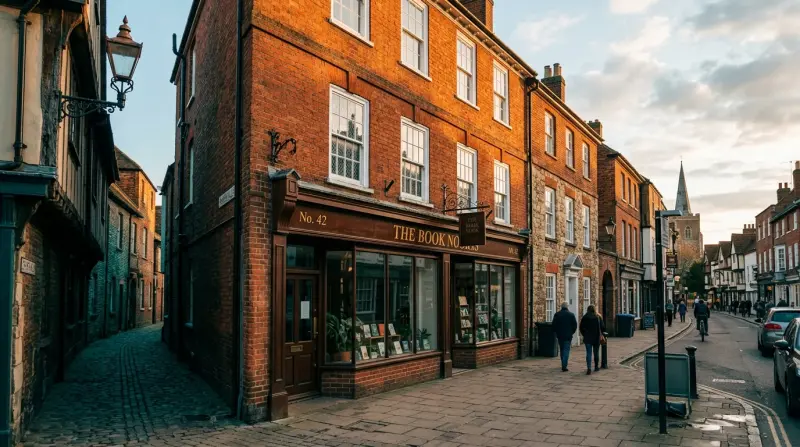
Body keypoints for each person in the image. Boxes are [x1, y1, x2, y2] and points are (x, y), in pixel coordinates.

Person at [552, 302, 578, 372]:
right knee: (566, 350)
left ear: (561, 307)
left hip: (560, 335)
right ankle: (564, 365)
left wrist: (556, 332)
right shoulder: (571, 315)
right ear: (567, 307)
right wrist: (571, 332)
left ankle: (563, 363)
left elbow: (554, 325)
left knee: (562, 349)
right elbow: (575, 326)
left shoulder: (557, 314)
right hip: (568, 335)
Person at [579, 305, 605, 375]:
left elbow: (581, 327)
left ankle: (589, 368)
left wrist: (585, 334)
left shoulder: (585, 317)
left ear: (588, 310)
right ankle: (596, 367)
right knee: (596, 352)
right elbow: (602, 327)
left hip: (588, 338)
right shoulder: (598, 317)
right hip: (596, 337)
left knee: (588, 353)